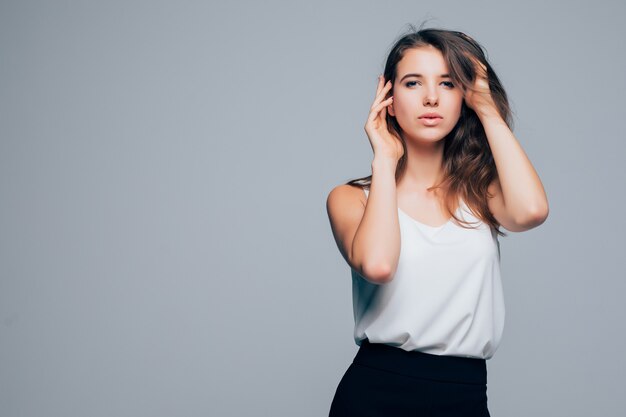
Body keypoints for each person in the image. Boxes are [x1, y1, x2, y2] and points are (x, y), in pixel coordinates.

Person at [325, 25, 549, 417]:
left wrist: (487, 107)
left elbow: (531, 212)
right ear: (389, 99)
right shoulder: (351, 198)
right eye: (413, 83)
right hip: (375, 391)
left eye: (447, 84)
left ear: (463, 97)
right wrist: (384, 159)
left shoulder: (482, 193)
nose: (431, 97)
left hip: (463, 392)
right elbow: (378, 265)